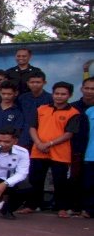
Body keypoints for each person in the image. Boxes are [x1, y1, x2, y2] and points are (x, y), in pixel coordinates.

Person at [19, 82, 81, 218]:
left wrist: (49, 144)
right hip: (38, 150)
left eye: (63, 94)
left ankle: (62, 208)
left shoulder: (73, 113)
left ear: (70, 95)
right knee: (35, 179)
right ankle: (32, 205)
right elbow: (32, 127)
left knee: (60, 181)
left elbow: (69, 133)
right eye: (57, 93)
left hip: (60, 153)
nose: (59, 96)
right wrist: (39, 143)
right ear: (52, 94)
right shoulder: (42, 109)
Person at [70, 77, 94, 217]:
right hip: (76, 151)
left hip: (90, 150)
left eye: (93, 89)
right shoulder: (73, 108)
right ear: (82, 89)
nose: (89, 91)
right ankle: (76, 207)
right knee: (77, 180)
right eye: (87, 88)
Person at [15, 70, 51, 149]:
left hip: (42, 135)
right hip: (24, 136)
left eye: (38, 82)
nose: (35, 84)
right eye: (32, 82)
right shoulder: (22, 98)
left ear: (44, 83)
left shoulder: (50, 98)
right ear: (27, 83)